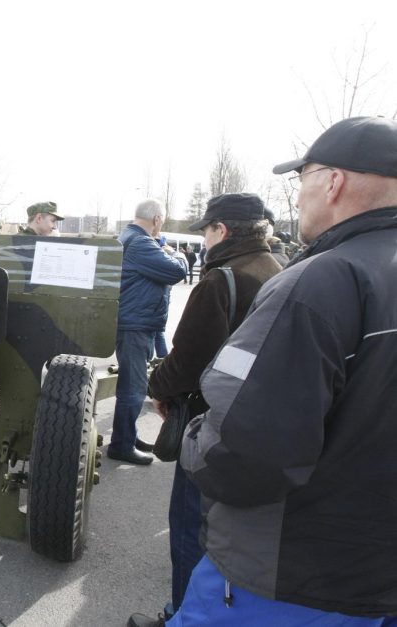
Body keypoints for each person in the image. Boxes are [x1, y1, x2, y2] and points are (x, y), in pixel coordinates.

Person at [167, 116, 397, 624]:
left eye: (302, 178)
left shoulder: (322, 282)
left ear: (333, 181)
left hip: (290, 578)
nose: (296, 197)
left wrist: (192, 440)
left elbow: (248, 451)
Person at [127, 193, 282, 627]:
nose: (206, 240)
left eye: (207, 231)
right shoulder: (280, 271)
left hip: (210, 424)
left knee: (190, 525)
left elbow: (187, 359)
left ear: (223, 231)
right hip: (260, 424)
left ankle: (182, 613)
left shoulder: (220, 280)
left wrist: (158, 387)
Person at [108, 199, 185, 465]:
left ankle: (127, 436)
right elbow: (176, 271)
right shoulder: (141, 243)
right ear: (156, 219)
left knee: (134, 385)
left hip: (135, 323)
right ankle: (121, 445)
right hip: (135, 325)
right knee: (133, 389)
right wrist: (176, 253)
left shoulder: (130, 238)